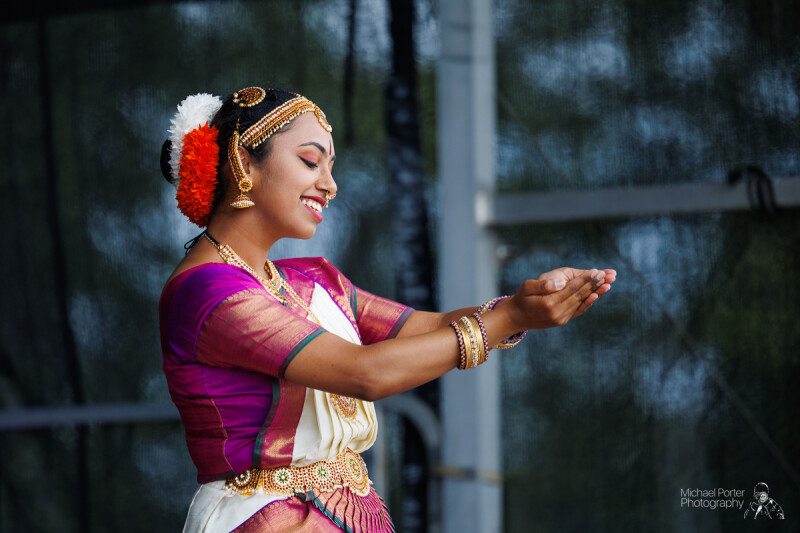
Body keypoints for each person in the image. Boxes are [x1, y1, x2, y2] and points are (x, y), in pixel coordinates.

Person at [158, 86, 616, 532]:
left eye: (330, 167)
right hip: (266, 519)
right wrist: (508, 320)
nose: (330, 185)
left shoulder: (311, 280)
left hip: (347, 515)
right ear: (243, 163)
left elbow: (428, 329)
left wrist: (521, 305)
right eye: (310, 161)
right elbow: (365, 374)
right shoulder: (206, 291)